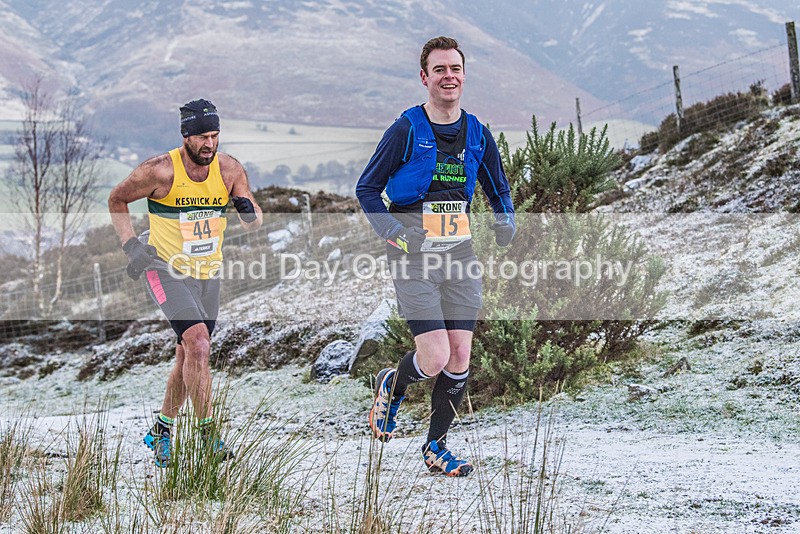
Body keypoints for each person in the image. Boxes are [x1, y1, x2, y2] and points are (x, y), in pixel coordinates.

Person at [356, 37, 516, 477]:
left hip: (459, 253)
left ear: (464, 75)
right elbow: (367, 189)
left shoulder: (476, 131)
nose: (449, 76)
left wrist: (506, 218)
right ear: (425, 77)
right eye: (440, 69)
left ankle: (436, 447)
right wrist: (392, 232)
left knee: (460, 354)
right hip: (413, 255)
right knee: (434, 358)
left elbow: (497, 185)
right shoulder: (405, 130)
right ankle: (394, 383)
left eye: (456, 69)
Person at [108, 99, 263, 467]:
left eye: (215, 135)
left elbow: (254, 220)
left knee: (187, 353)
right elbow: (117, 199)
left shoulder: (229, 170)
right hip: (164, 269)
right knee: (198, 343)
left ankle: (161, 429)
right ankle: (209, 434)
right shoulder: (159, 170)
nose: (210, 144)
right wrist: (132, 246)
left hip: (208, 272)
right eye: (202, 137)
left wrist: (247, 211)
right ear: (186, 137)